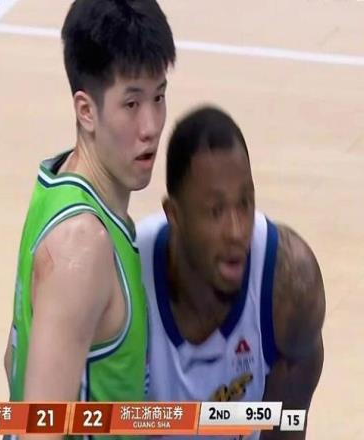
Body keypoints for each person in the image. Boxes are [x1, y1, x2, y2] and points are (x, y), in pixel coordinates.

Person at [3, 0, 175, 438]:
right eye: (131, 103)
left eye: (158, 97)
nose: (151, 126)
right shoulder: (82, 244)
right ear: (86, 111)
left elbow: (12, 358)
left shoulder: (57, 185)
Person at [137, 106, 325, 440]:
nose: (237, 232)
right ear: (174, 215)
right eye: (215, 211)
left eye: (245, 203)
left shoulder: (289, 288)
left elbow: (286, 425)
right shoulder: (122, 282)